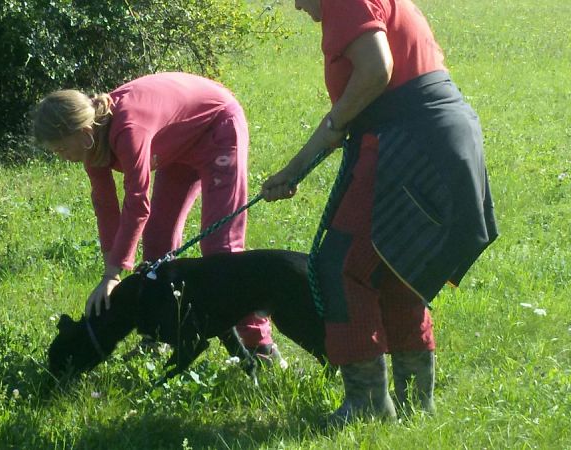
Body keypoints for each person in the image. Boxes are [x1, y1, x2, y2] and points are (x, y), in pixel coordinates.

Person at [262, 0, 498, 424]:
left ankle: (368, 406)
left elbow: (375, 71)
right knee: (395, 268)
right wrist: (293, 170)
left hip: (407, 144)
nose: (295, 4)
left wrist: (332, 130)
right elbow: (361, 100)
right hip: (432, 138)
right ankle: (415, 409)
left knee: (342, 265)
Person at [33, 72, 286, 365]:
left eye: (62, 148)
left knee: (221, 251)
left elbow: (138, 203)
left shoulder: (128, 129)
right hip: (178, 146)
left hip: (218, 128)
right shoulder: (94, 143)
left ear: (85, 134)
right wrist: (110, 270)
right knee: (157, 244)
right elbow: (105, 205)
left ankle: (259, 345)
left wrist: (114, 273)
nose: (61, 156)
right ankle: (161, 334)